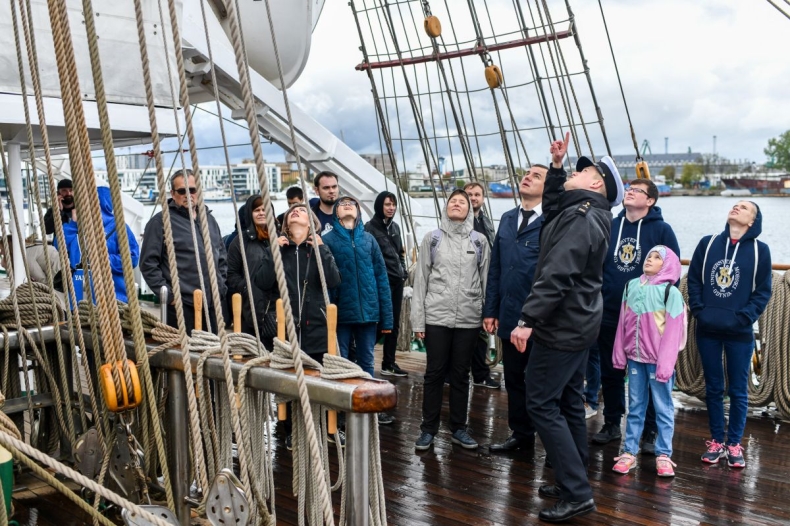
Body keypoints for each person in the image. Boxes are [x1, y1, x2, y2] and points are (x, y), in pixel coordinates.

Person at [511, 133, 622, 523]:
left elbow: (558, 274)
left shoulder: (582, 219)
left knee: (540, 402)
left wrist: (527, 320)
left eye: (583, 170)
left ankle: (577, 491)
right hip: (578, 325)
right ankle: (571, 477)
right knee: (570, 402)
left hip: (561, 326)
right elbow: (556, 203)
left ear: (595, 183)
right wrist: (556, 167)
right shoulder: (587, 211)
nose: (575, 171)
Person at [590, 178, 680, 454]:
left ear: (650, 200)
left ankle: (651, 430)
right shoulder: (612, 225)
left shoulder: (662, 230)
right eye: (629, 188)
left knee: (652, 375)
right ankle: (612, 422)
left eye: (637, 190)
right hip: (610, 311)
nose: (629, 191)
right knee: (611, 370)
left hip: (649, 320)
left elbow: (672, 272)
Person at [687, 200, 772, 469]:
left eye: (744, 207)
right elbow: (694, 280)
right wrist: (700, 311)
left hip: (739, 333)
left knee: (737, 390)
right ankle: (716, 441)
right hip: (708, 329)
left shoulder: (760, 251)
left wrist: (744, 317)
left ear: (752, 221)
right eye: (735, 205)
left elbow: (763, 291)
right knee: (713, 388)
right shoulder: (708, 243)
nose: (736, 208)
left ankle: (734, 443)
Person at [254, 203, 341, 449]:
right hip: (287, 326)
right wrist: (273, 254)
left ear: (311, 222)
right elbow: (262, 282)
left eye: (301, 210)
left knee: (320, 379)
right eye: (292, 210)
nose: (295, 211)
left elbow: (334, 280)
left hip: (317, 324)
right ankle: (291, 430)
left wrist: (322, 251)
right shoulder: (279, 249)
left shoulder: (321, 248)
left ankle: (326, 427)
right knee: (290, 380)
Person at [411, 189, 490, 451]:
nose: (457, 204)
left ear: (470, 209)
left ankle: (458, 428)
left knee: (460, 374)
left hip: (468, 318)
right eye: (452, 201)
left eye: (462, 202)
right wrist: (418, 322)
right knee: (434, 373)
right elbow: (420, 281)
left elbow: (486, 280)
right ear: (446, 208)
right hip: (436, 316)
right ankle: (428, 429)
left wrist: (488, 315)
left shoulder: (479, 242)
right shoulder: (432, 239)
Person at [483, 165, 547, 452]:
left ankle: (550, 444)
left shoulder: (551, 222)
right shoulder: (508, 218)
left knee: (541, 384)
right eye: (527, 173)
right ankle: (521, 436)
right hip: (509, 316)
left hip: (538, 319)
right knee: (514, 379)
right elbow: (496, 266)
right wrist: (491, 309)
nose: (528, 177)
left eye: (537, 176)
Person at [611, 245, 687, 478]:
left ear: (666, 265)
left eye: (657, 258)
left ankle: (664, 454)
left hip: (658, 362)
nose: (650, 260)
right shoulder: (631, 286)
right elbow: (622, 321)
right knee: (635, 406)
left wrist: (665, 365)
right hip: (635, 359)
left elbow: (674, 333)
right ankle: (629, 451)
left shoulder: (670, 292)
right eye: (649, 256)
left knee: (663, 407)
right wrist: (619, 354)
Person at [322, 195, 395, 425]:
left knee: (366, 360)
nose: (346, 206)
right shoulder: (328, 240)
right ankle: (342, 411)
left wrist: (387, 319)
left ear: (358, 211)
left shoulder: (369, 240)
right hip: (341, 313)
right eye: (341, 204)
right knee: (341, 361)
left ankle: (369, 404)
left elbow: (381, 277)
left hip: (368, 312)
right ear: (335, 213)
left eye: (351, 204)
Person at [140, 169, 227, 334]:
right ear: (173, 194)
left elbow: (221, 255)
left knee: (212, 354)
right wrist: (170, 298)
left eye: (192, 190)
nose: (188, 195)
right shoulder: (160, 223)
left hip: (212, 304)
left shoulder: (209, 220)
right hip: (182, 306)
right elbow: (148, 264)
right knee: (184, 357)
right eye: (182, 191)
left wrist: (221, 287)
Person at [55, 186, 139, 303]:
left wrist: (101, 260)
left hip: (113, 300)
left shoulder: (119, 228)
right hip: (80, 300)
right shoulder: (78, 226)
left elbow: (132, 258)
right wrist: (74, 224)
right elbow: (59, 246)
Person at [364, 190, 409, 377]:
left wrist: (403, 271)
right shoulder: (370, 228)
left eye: (393, 204)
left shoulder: (395, 228)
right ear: (379, 206)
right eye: (387, 204)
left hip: (396, 282)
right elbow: (368, 258)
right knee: (379, 323)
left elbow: (400, 253)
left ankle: (388, 363)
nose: (391, 208)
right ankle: (362, 359)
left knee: (394, 323)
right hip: (381, 284)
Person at [463, 181, 500, 389]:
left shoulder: (485, 222)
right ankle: (455, 373)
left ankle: (480, 374)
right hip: (463, 285)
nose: (474, 198)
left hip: (483, 284)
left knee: (482, 332)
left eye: (477, 195)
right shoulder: (457, 222)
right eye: (470, 194)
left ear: (483, 198)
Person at [226, 195, 276, 346]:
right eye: (256, 210)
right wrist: (247, 288)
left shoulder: (280, 239)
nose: (261, 213)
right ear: (250, 214)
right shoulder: (240, 242)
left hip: (277, 309)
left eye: (264, 209)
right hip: (251, 309)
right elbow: (231, 274)